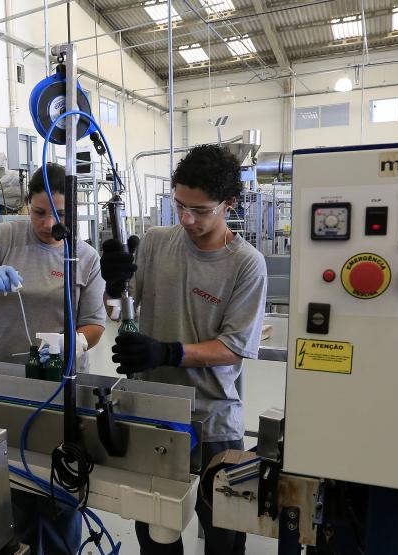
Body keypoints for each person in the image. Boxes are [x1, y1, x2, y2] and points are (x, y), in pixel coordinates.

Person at [100, 144, 268, 555]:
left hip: (213, 422)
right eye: (180, 206)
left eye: (200, 210)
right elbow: (118, 307)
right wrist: (111, 281)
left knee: (225, 538)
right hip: (153, 416)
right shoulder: (158, 241)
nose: (186, 219)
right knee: (156, 538)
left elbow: (234, 348)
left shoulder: (246, 263)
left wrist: (167, 353)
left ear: (229, 203)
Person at [0, 163, 107, 554]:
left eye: (58, 215)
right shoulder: (3, 237)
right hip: (4, 382)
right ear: (27, 204)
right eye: (40, 212)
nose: (47, 224)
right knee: (14, 489)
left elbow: (95, 324)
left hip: (62, 386)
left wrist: (70, 345)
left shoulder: (85, 257)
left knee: (61, 492)